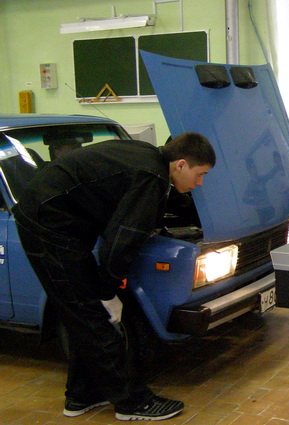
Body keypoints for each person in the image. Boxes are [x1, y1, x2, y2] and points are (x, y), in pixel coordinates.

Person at [12, 133, 216, 420]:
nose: (200, 183)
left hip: (58, 220)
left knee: (85, 315)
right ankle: (133, 403)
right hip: (47, 226)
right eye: (200, 174)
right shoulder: (151, 178)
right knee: (92, 316)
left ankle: (82, 395)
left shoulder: (150, 158)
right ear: (181, 164)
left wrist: (105, 289)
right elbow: (121, 243)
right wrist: (107, 293)